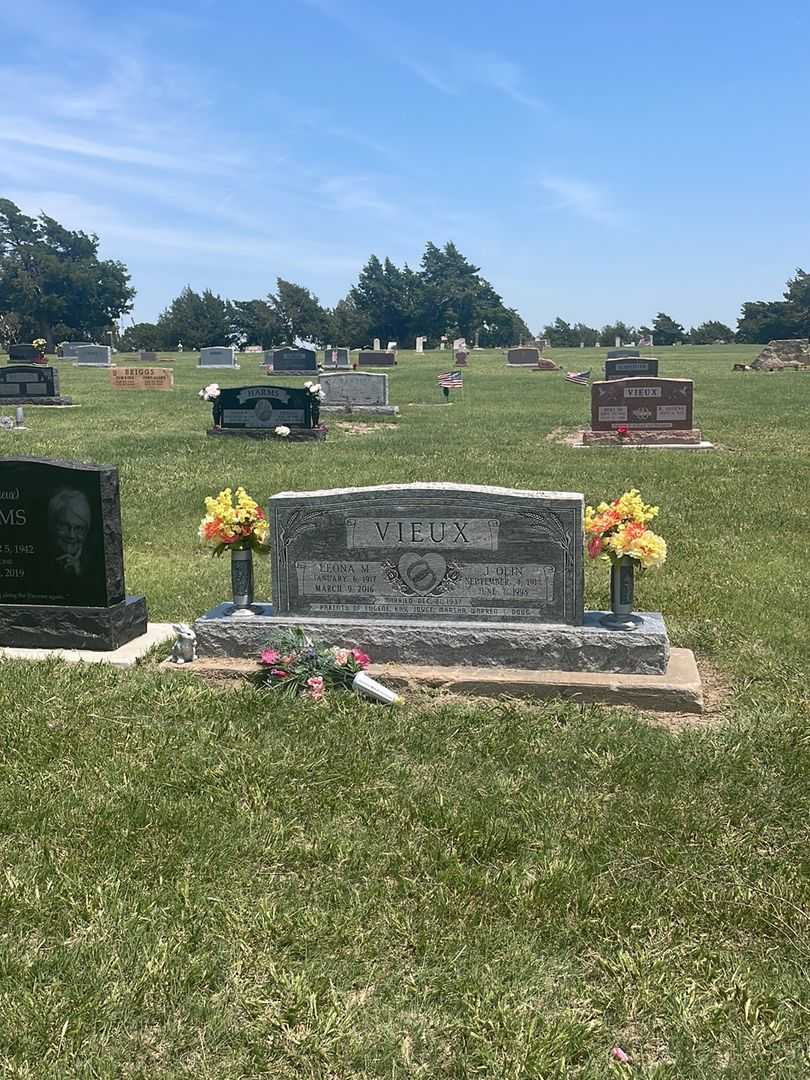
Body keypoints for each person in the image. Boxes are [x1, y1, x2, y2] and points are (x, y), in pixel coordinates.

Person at [47, 488, 91, 580]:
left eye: (79, 528)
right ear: (53, 524)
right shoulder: (41, 557)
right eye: (64, 526)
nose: (71, 535)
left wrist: (79, 573)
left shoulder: (96, 561)